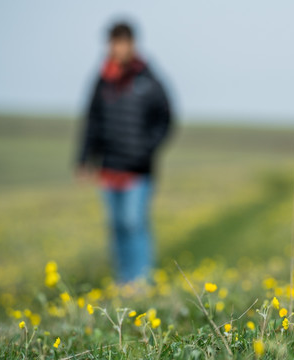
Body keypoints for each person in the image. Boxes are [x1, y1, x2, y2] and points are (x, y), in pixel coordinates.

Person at [75, 21, 173, 285]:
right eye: (113, 42)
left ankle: (141, 282)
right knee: (117, 227)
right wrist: (84, 158)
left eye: (122, 42)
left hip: (138, 169)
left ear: (132, 44)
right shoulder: (102, 80)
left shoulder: (148, 79)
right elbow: (92, 121)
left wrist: (146, 149)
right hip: (108, 166)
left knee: (134, 223)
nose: (117, 48)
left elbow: (165, 119)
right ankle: (123, 281)